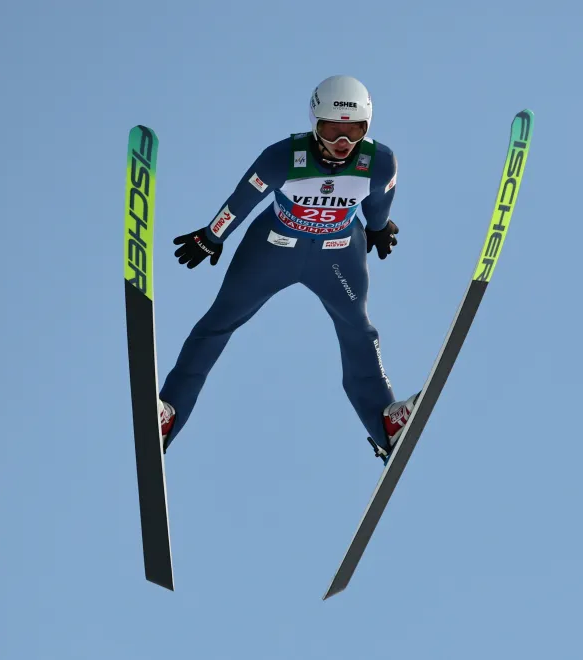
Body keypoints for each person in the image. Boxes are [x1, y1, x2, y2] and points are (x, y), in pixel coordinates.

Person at [157, 75, 416, 462]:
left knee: (358, 330)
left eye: (354, 131)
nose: (342, 143)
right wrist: (212, 236)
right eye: (332, 130)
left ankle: (385, 423)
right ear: (314, 124)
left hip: (338, 256)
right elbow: (243, 198)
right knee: (218, 322)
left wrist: (379, 228)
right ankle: (168, 414)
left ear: (367, 128)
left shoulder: (379, 163)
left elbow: (379, 202)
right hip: (273, 250)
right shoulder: (282, 158)